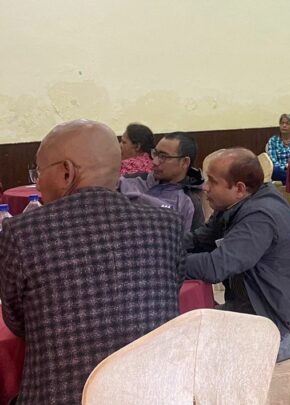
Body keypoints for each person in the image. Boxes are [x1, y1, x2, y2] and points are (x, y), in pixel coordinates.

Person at [0, 120, 185, 404]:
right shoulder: (167, 225)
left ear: (66, 172)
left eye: (38, 172)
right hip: (152, 392)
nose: (37, 182)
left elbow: (16, 320)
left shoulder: (22, 232)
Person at [184, 148, 290, 362]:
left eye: (213, 182)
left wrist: (165, 263)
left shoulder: (260, 216)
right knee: (189, 333)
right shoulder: (234, 206)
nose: (205, 187)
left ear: (239, 188)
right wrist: (158, 247)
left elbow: (215, 267)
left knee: (207, 359)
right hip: (262, 308)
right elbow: (200, 239)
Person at [119, 132, 205, 231]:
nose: (155, 162)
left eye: (163, 157)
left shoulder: (189, 202)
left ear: (185, 162)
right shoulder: (129, 182)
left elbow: (190, 243)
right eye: (155, 154)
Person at [266, 113, 290, 184]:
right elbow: (273, 160)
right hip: (280, 170)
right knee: (275, 170)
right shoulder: (273, 140)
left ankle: (289, 183)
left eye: (287, 123)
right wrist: (285, 167)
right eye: (282, 123)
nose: (284, 125)